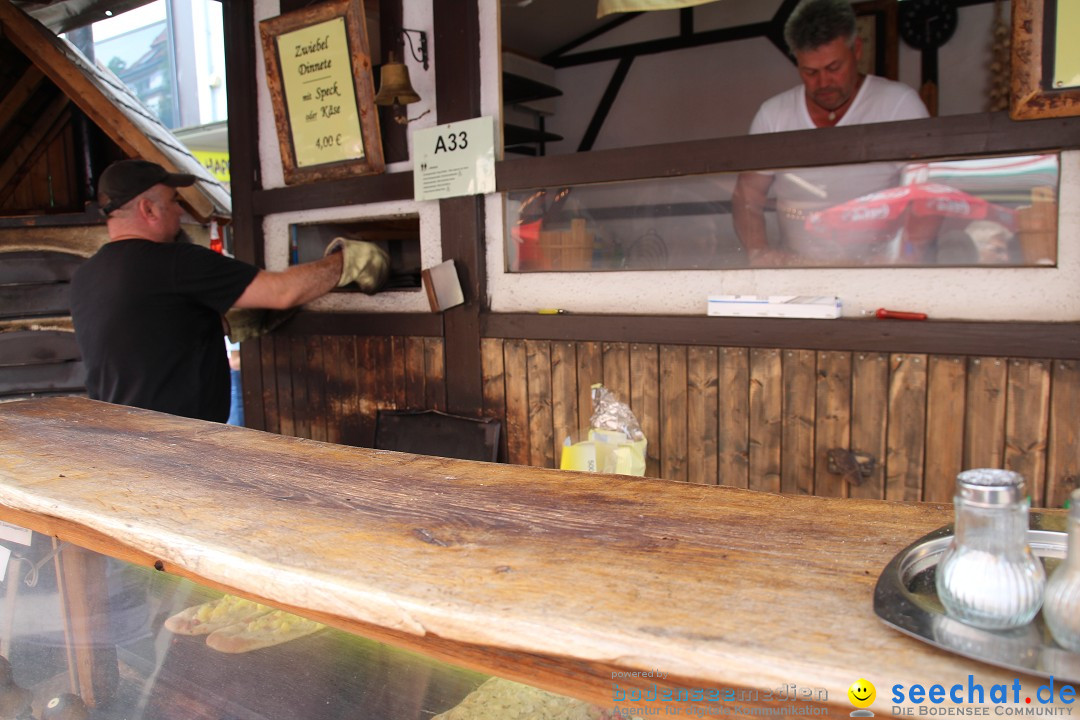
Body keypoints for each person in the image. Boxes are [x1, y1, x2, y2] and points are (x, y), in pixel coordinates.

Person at [70, 159, 389, 423]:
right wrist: (346, 261)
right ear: (148, 210)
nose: (180, 211)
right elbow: (282, 292)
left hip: (118, 442)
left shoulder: (86, 276)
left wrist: (220, 325)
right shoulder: (176, 262)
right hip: (177, 449)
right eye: (173, 202)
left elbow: (154, 334)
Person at [732, 0, 929, 266]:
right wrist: (759, 253)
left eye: (834, 68)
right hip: (800, 270)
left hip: (881, 270)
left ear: (856, 50)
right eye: (810, 72)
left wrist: (904, 254)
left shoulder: (898, 104)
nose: (823, 83)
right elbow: (748, 196)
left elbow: (927, 196)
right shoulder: (773, 114)